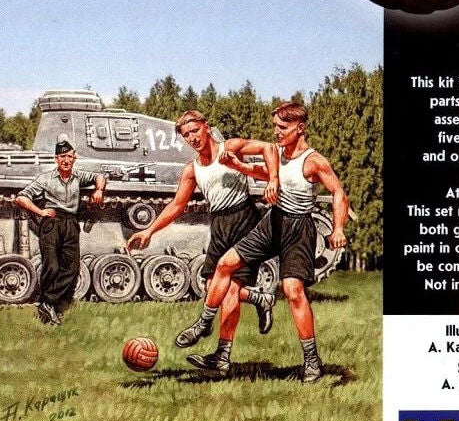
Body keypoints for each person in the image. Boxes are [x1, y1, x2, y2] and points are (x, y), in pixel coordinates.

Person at [183, 101, 348, 383]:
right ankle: (204, 324)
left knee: (293, 290)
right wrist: (240, 166)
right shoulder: (278, 154)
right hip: (272, 222)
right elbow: (266, 174)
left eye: (282, 127)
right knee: (226, 264)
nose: (277, 132)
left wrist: (338, 228)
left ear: (300, 128)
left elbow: (338, 193)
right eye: (275, 126)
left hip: (298, 228)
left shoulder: (314, 161)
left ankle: (311, 360)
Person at [127, 110, 280, 352]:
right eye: (187, 135)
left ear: (206, 127)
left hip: (243, 218)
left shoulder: (230, 147)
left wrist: (272, 180)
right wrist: (149, 231)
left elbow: (269, 148)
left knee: (228, 288)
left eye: (195, 131)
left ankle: (211, 338)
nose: (192, 138)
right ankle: (260, 299)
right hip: (219, 223)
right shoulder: (192, 169)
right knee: (213, 289)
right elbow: (177, 205)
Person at [14, 139, 107, 325]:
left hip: (71, 223)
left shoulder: (78, 176)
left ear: (74, 158)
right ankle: (48, 305)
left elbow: (100, 176)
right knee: (52, 266)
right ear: (56, 158)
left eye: (70, 157)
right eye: (62, 156)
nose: (66, 160)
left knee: (71, 268)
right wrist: (40, 212)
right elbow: (21, 197)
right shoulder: (46, 178)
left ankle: (47, 303)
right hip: (52, 223)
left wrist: (99, 190)